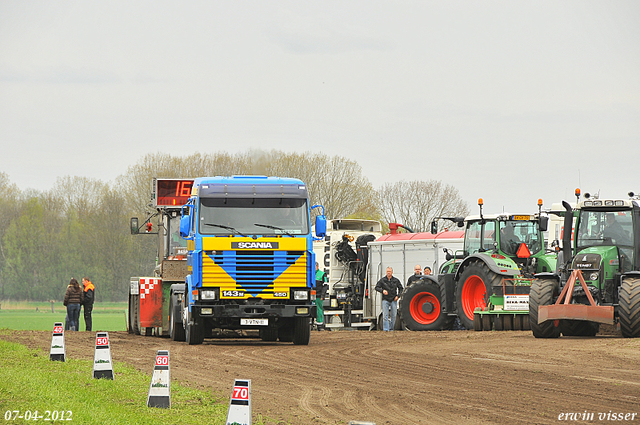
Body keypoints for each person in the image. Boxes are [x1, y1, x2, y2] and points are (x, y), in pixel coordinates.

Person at [375, 267, 403, 331]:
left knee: (394, 316)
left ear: (392, 272)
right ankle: (386, 329)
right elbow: (377, 287)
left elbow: (401, 289)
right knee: (385, 315)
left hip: (394, 300)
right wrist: (382, 291)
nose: (388, 272)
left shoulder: (396, 280)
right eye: (387, 271)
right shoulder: (382, 280)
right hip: (385, 300)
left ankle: (391, 329)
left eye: (389, 271)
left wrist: (398, 296)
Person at [314, 262, 328, 331]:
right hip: (310, 295)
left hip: (318, 295)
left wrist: (323, 295)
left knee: (319, 310)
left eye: (315, 266)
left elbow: (325, 286)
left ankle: (320, 325)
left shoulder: (322, 274)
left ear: (317, 266)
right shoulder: (309, 273)